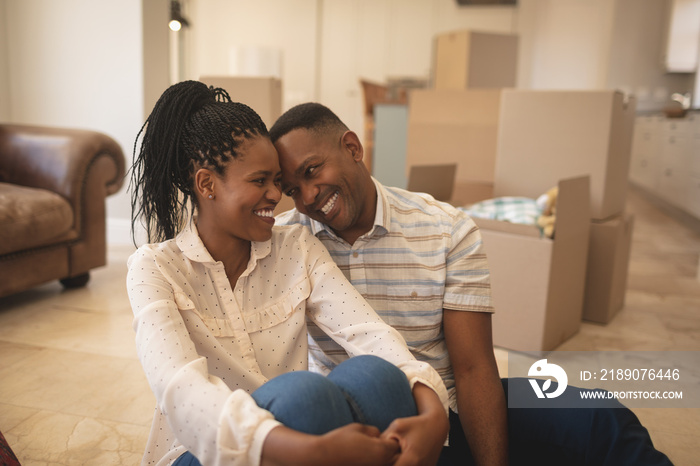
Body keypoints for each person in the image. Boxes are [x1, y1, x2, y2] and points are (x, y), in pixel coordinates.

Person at [269, 102, 674, 466]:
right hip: (352, 419)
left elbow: (473, 366)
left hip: (449, 402)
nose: (307, 197)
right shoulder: (288, 244)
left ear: (353, 148)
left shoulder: (444, 228)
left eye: (312, 171)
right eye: (292, 189)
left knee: (600, 418)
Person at [127, 81, 450, 466]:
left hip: (300, 428)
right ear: (207, 184)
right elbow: (180, 390)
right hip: (201, 452)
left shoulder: (296, 247)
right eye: (259, 181)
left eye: (278, 183)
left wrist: (433, 412)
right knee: (304, 396)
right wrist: (312, 450)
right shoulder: (155, 268)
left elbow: (371, 335)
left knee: (374, 376)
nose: (276, 196)